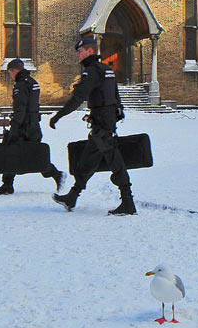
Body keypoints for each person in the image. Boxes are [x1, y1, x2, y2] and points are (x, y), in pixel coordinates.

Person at [49, 34, 135, 215]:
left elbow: (78, 97)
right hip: (103, 122)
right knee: (88, 161)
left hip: (103, 124)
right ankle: (72, 197)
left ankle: (128, 202)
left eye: (79, 52)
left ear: (90, 51)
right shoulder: (106, 69)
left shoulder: (93, 71)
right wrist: (115, 112)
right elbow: (114, 95)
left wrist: (58, 116)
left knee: (115, 161)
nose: (77, 55)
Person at [0, 58, 65, 195]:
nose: (11, 76)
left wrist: (15, 128)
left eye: (10, 73)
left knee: (11, 151)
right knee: (34, 153)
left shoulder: (21, 85)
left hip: (23, 125)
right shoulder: (32, 82)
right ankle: (55, 174)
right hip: (33, 124)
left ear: (14, 71)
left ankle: (7, 185)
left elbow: (20, 108)